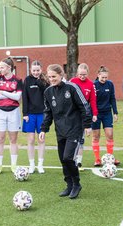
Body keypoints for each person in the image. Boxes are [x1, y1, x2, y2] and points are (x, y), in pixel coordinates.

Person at [39, 64, 92, 199]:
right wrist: (44, 129)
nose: (51, 79)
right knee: (63, 159)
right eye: (49, 77)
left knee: (68, 158)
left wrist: (87, 125)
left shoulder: (72, 87)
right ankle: (69, 185)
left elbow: (84, 106)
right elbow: (48, 113)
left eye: (54, 77)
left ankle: (76, 184)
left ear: (61, 75)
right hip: (60, 131)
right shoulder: (48, 92)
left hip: (74, 129)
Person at [0, 57, 23, 174]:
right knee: (0, 139)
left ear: (9, 67)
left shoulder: (18, 80)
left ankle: (13, 165)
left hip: (14, 111)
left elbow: (18, 97)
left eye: (2, 67)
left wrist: (3, 92)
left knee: (13, 139)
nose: (0, 69)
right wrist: (11, 94)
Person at [22, 60, 49, 174]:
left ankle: (40, 164)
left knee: (41, 139)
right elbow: (25, 97)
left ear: (41, 70)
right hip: (30, 114)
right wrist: (25, 114)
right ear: (30, 70)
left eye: (38, 70)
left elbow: (47, 93)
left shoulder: (45, 80)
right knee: (31, 139)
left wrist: (40, 82)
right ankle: (32, 164)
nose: (36, 72)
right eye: (34, 70)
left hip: (42, 113)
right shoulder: (27, 80)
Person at [70, 63, 98, 169]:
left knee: (81, 138)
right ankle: (71, 159)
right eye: (80, 74)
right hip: (72, 114)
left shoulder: (91, 84)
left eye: (84, 74)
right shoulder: (72, 82)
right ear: (77, 73)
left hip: (83, 113)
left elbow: (93, 100)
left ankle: (79, 161)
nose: (82, 76)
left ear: (88, 73)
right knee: (72, 137)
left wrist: (94, 114)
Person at [92, 66, 120, 166]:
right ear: (98, 75)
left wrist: (115, 112)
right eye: (102, 77)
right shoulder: (94, 85)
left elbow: (112, 98)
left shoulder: (110, 84)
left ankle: (110, 157)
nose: (104, 79)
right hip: (96, 114)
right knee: (96, 136)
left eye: (106, 77)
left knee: (109, 134)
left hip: (107, 113)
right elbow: (91, 101)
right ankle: (97, 159)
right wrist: (92, 114)